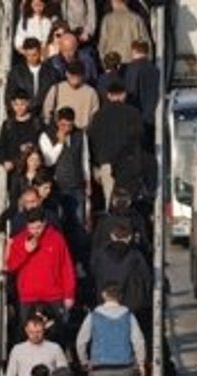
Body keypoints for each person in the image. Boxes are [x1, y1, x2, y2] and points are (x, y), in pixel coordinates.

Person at [6, 207, 78, 327]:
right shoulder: (19, 240)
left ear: (44, 223)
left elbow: (66, 268)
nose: (35, 231)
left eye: (38, 227)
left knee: (57, 333)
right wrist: (25, 251)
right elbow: (10, 266)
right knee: (28, 333)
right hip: (28, 297)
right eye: (31, 228)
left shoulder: (56, 239)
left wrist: (69, 294)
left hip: (54, 296)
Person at [39, 107, 92, 261]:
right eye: (63, 125)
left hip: (76, 185)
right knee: (58, 222)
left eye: (69, 125)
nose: (66, 128)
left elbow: (84, 159)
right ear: (57, 122)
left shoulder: (81, 135)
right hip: (56, 187)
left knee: (78, 224)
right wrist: (60, 143)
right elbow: (49, 160)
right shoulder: (46, 136)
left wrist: (87, 181)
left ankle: (78, 260)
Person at [76, 284, 147, 376]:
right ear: (120, 296)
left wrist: (85, 363)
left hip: (101, 367)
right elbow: (138, 340)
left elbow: (81, 341)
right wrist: (141, 363)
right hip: (126, 366)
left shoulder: (93, 315)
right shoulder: (128, 315)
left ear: (103, 295)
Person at [88, 79, 145, 208]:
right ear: (124, 94)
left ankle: (111, 225)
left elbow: (92, 141)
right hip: (128, 165)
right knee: (128, 201)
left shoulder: (99, 116)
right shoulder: (133, 113)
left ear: (108, 95)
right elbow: (139, 137)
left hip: (106, 163)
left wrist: (96, 165)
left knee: (110, 199)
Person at [90, 221, 153, 338]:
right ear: (129, 237)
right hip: (132, 305)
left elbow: (93, 273)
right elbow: (146, 279)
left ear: (112, 236)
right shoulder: (136, 256)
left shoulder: (100, 254)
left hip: (105, 301)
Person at [3, 315, 70, 376]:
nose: (35, 335)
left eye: (38, 332)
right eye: (31, 332)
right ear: (26, 330)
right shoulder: (17, 350)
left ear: (44, 330)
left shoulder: (55, 348)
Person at [5, 37, 61, 115]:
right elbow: (9, 97)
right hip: (24, 116)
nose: (31, 58)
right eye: (28, 55)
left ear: (40, 52)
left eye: (34, 55)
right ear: (24, 54)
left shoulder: (51, 73)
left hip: (44, 115)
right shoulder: (16, 73)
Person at [0, 90, 45, 175]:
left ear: (28, 103)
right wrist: (4, 161)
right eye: (16, 104)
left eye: (22, 104)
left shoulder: (37, 123)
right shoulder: (8, 124)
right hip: (13, 170)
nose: (19, 107)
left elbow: (44, 145)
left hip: (33, 169)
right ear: (12, 105)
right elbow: (1, 146)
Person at [42, 62, 100, 130]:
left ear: (83, 75)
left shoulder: (91, 93)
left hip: (81, 131)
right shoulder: (56, 89)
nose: (74, 77)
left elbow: (95, 116)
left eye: (77, 74)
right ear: (67, 73)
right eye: (72, 73)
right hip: (59, 131)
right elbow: (47, 111)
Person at [124, 40, 160, 145]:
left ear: (134, 50)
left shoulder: (131, 68)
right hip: (151, 117)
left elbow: (131, 91)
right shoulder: (154, 69)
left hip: (136, 117)